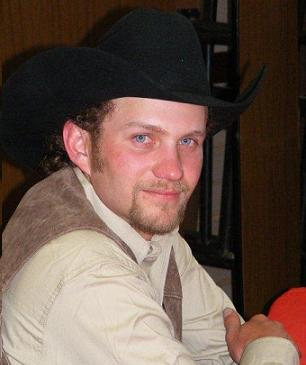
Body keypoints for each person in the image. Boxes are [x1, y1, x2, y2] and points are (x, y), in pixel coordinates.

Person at [0, 8, 299, 365]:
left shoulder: (137, 220)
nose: (173, 170)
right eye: (143, 137)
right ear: (80, 144)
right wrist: (271, 348)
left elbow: (223, 341)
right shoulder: (86, 277)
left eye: (189, 142)